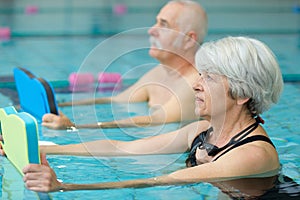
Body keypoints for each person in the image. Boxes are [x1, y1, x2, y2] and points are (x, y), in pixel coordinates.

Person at [16, 36, 284, 195]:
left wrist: (64, 186)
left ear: (241, 94)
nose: (196, 84)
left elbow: (159, 180)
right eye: (200, 74)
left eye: (210, 78)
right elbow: (122, 147)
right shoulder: (201, 131)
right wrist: (39, 147)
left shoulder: (253, 154)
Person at [42, 0, 208, 130]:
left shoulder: (194, 84)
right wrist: (55, 106)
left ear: (189, 40)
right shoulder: (160, 72)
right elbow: (115, 101)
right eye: (155, 22)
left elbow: (155, 120)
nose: (151, 30)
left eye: (163, 25)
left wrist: (75, 127)